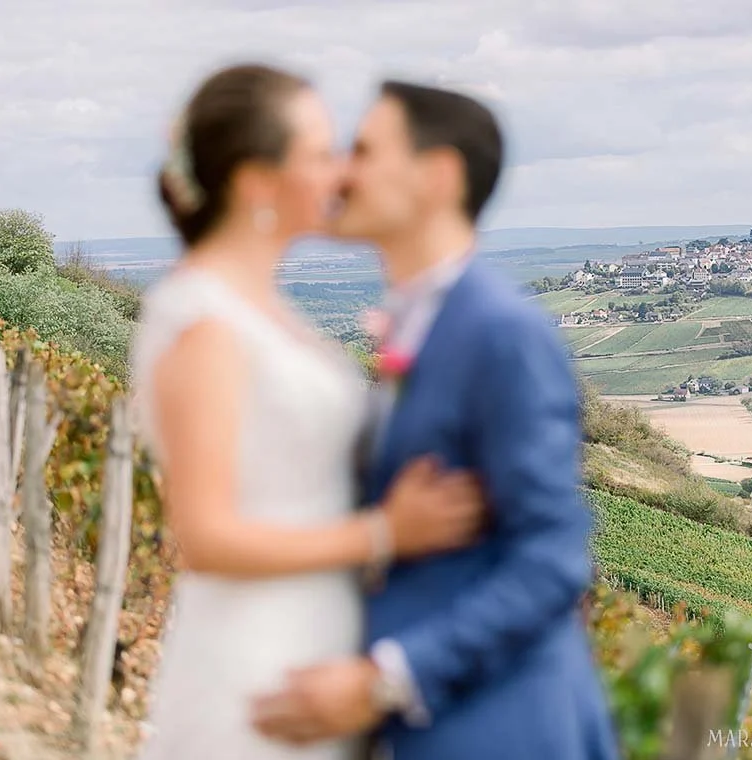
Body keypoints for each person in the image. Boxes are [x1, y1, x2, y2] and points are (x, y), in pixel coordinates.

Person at [252, 81, 618, 760]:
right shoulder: (419, 323)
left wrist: (383, 682)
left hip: (503, 730)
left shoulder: (500, 331)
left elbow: (554, 559)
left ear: (439, 175)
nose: (341, 170)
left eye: (363, 149)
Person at [130, 64, 487, 760]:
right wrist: (386, 532)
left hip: (319, 645)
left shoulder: (259, 309)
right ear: (258, 181)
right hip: (258, 661)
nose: (343, 173)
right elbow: (204, 535)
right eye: (323, 154)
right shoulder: (206, 322)